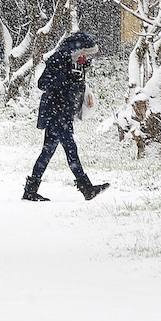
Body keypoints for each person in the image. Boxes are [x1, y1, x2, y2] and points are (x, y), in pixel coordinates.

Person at [24, 31, 109, 201]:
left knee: (47, 152)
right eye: (85, 54)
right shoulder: (58, 59)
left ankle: (30, 190)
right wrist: (65, 79)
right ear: (76, 50)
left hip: (64, 113)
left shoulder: (76, 63)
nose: (86, 58)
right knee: (70, 148)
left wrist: (86, 94)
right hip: (56, 112)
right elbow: (43, 83)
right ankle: (86, 188)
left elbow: (75, 86)